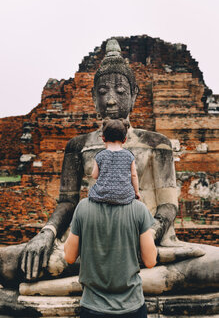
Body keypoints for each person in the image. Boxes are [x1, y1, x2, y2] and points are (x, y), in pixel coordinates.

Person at [0, 38, 219, 294]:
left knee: (214, 264)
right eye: (103, 92)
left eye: (120, 91)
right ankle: (133, 283)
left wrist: (147, 237)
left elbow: (168, 206)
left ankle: (65, 287)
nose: (111, 101)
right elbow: (67, 203)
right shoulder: (77, 145)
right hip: (91, 244)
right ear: (93, 97)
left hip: (150, 243)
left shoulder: (156, 143)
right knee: (7, 262)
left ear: (135, 94)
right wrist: (46, 234)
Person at [64, 198, 157, 317]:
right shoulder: (139, 208)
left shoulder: (83, 207)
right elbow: (150, 261)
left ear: (96, 177)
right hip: (131, 306)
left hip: (93, 306)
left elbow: (69, 257)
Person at [89, 118, 140, 204]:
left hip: (101, 196)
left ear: (103, 138)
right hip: (125, 196)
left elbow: (94, 175)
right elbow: (134, 175)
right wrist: (136, 192)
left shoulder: (100, 155)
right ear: (125, 139)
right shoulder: (129, 156)